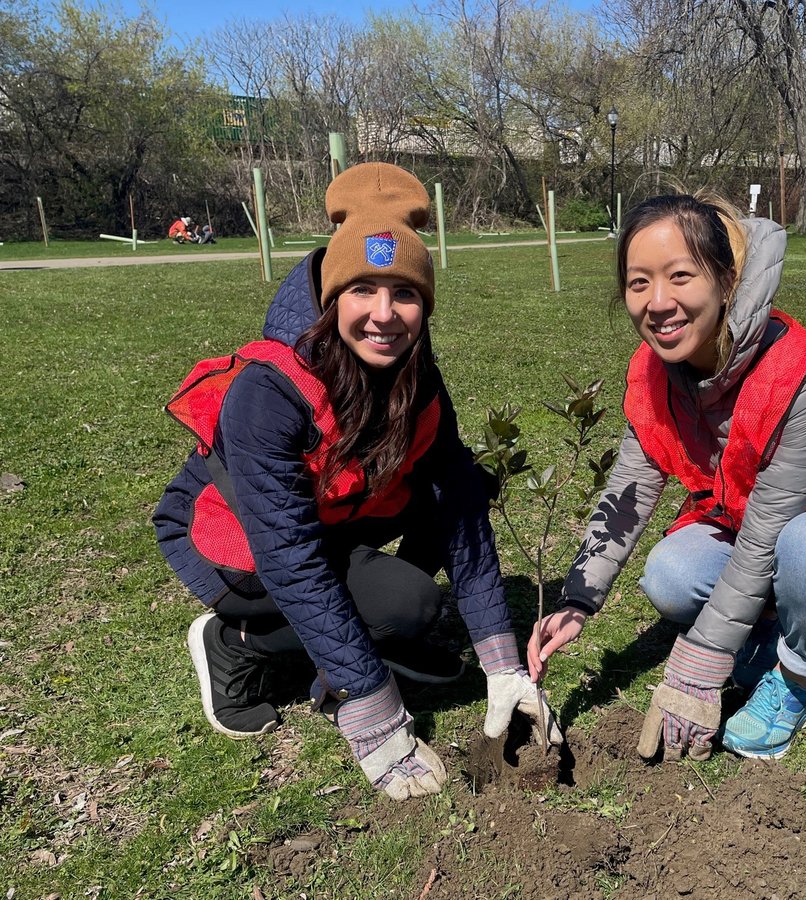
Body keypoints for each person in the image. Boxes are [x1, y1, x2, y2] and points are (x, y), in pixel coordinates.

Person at [154, 163, 559, 802]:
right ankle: (238, 643)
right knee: (405, 608)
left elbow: (460, 513)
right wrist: (373, 713)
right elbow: (289, 559)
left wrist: (504, 667)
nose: (383, 314)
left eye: (404, 293)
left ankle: (354, 643)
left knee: (449, 511)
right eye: (362, 290)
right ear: (331, 297)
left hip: (332, 514)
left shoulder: (416, 377)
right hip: (235, 539)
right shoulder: (271, 389)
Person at [527, 193, 806, 761]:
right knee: (670, 573)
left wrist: (702, 657)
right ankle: (765, 645)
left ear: (727, 280)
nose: (658, 303)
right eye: (639, 283)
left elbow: (769, 531)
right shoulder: (655, 372)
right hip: (753, 530)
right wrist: (578, 599)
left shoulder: (796, 374)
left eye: (680, 276)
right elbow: (631, 489)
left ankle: (796, 684)